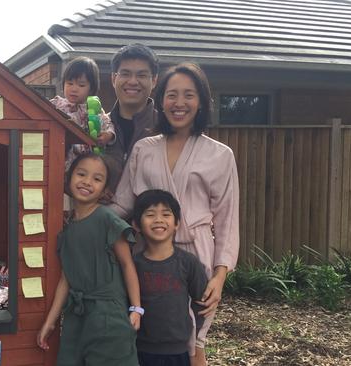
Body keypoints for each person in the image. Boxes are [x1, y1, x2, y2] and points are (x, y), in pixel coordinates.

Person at [110, 62, 240, 366]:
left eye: (188, 95)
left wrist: (220, 276)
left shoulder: (220, 155)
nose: (179, 103)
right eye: (171, 95)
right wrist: (87, 219)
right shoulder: (144, 149)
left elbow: (227, 219)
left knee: (194, 342)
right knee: (148, 338)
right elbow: (122, 205)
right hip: (147, 258)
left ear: (202, 102)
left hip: (196, 258)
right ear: (161, 99)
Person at [37, 153, 142, 366]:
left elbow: (127, 264)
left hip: (108, 316)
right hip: (77, 315)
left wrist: (136, 308)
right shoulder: (67, 228)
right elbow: (67, 278)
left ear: (105, 190)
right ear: (69, 178)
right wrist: (50, 321)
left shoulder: (107, 220)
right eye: (81, 174)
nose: (87, 182)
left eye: (97, 178)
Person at [131, 189, 208, 366]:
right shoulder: (133, 265)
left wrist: (188, 332)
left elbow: (202, 302)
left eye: (166, 214)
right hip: (141, 350)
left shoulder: (188, 263)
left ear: (177, 223)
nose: (158, 220)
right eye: (150, 214)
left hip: (178, 351)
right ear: (136, 224)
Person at [106, 43, 160, 191]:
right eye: (125, 74)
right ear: (113, 79)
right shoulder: (97, 127)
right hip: (102, 213)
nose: (132, 82)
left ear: (154, 81)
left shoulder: (166, 128)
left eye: (141, 75)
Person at [50, 56, 115, 170]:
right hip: (60, 160)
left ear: (91, 88)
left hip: (85, 164)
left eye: (81, 85)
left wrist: (108, 135)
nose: (74, 89)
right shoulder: (56, 104)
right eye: (69, 83)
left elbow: (107, 123)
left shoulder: (94, 108)